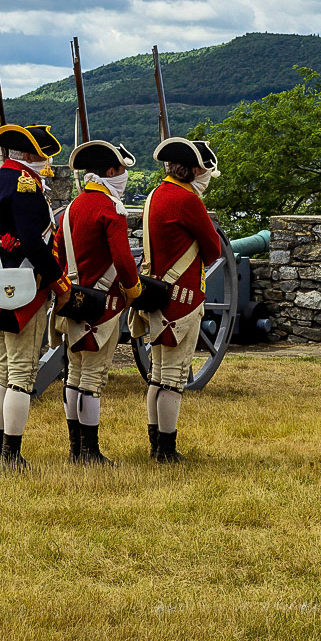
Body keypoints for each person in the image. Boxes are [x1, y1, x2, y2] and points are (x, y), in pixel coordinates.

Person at [0, 123, 71, 468]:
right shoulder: (26, 186)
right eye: (41, 153)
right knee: (22, 373)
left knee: (0, 372)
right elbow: (34, 243)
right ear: (27, 155)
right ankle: (12, 455)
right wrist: (59, 283)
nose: (45, 159)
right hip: (25, 288)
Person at [131, 137, 221, 463]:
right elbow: (212, 249)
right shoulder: (187, 200)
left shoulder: (155, 194)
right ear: (194, 168)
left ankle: (157, 442)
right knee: (172, 377)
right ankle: (165, 450)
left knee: (158, 373)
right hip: (180, 299)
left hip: (156, 292)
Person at [53, 141, 142, 464]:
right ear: (110, 172)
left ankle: (75, 447)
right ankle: (89, 451)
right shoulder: (112, 209)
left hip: (74, 299)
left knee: (74, 375)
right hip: (103, 304)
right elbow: (123, 260)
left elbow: (59, 254)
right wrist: (133, 292)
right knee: (92, 378)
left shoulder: (73, 207)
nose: (124, 177)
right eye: (121, 171)